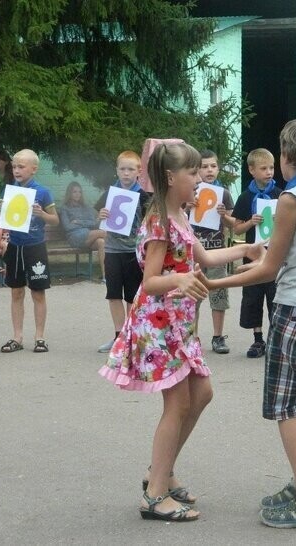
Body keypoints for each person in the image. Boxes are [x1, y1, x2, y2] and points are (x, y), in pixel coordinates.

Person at [99, 142, 265, 522]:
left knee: (200, 394)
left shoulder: (178, 215)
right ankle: (155, 494)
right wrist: (181, 277)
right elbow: (151, 281)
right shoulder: (159, 219)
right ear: (171, 178)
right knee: (178, 403)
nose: (199, 179)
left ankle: (161, 471)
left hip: (179, 323)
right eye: (192, 173)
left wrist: (248, 249)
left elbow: (204, 259)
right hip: (160, 324)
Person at [202, 118, 296, 530]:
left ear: (288, 158)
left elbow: (268, 269)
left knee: (285, 407)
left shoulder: (291, 199)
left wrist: (215, 280)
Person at [0, 149, 59, 354]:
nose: (16, 170)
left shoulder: (42, 192)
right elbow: (5, 220)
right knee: (16, 292)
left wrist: (41, 213)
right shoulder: (10, 190)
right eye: (14, 166)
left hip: (35, 247)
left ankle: (39, 337)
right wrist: (1, 215)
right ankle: (17, 337)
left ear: (34, 169)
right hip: (15, 246)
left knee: (38, 292)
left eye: (21, 167)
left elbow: (55, 219)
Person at [94, 150, 150, 353]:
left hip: (133, 252)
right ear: (116, 170)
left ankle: (132, 335)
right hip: (112, 250)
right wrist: (101, 214)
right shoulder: (110, 193)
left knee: (132, 297)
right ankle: (119, 336)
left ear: (139, 171)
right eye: (122, 169)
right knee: (114, 294)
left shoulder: (143, 196)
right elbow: (99, 219)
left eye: (130, 169)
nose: (126, 173)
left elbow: (149, 222)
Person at [231, 148, 281, 358]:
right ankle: (257, 339)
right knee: (253, 297)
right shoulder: (245, 197)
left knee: (275, 297)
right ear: (252, 170)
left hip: (275, 253)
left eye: (271, 167)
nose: (269, 172)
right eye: (263, 168)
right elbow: (237, 229)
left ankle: (275, 340)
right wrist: (251, 222)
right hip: (252, 254)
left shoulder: (280, 194)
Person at [192, 149, 235, 354]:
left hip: (217, 252)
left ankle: (218, 337)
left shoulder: (224, 193)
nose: (209, 170)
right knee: (192, 298)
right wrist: (187, 206)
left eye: (213, 166)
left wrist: (224, 216)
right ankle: (193, 337)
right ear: (197, 169)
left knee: (219, 295)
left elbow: (233, 223)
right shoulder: (190, 191)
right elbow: (177, 216)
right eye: (205, 166)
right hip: (194, 254)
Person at [59, 181, 106, 281]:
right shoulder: (64, 208)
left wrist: (78, 222)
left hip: (88, 235)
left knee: (101, 242)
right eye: (74, 192)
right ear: (69, 193)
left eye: (79, 192)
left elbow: (93, 223)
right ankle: (122, 250)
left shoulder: (86, 207)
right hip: (74, 237)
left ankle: (105, 276)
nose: (77, 194)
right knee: (102, 233)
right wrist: (86, 223)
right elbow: (67, 227)